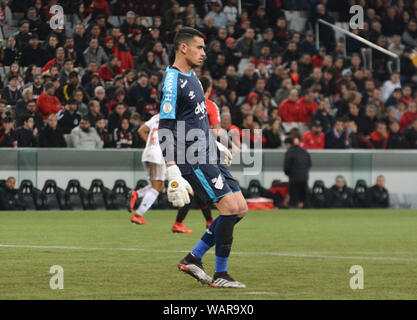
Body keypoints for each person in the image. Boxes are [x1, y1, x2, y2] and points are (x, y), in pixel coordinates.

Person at [157, 27, 247, 288]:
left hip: (207, 152)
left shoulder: (193, 76)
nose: (204, 53)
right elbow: (166, 128)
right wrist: (172, 169)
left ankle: (194, 258)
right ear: (183, 48)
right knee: (229, 209)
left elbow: (194, 119)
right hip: (192, 157)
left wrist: (215, 144)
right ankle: (221, 274)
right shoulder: (172, 82)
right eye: (200, 48)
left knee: (240, 209)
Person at [284, 137, 311, 208]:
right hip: (304, 178)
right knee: (303, 197)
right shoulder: (304, 151)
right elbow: (309, 164)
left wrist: (289, 174)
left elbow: (286, 167)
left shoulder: (289, 152)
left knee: (294, 197)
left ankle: (294, 209)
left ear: (288, 144)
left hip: (294, 178)